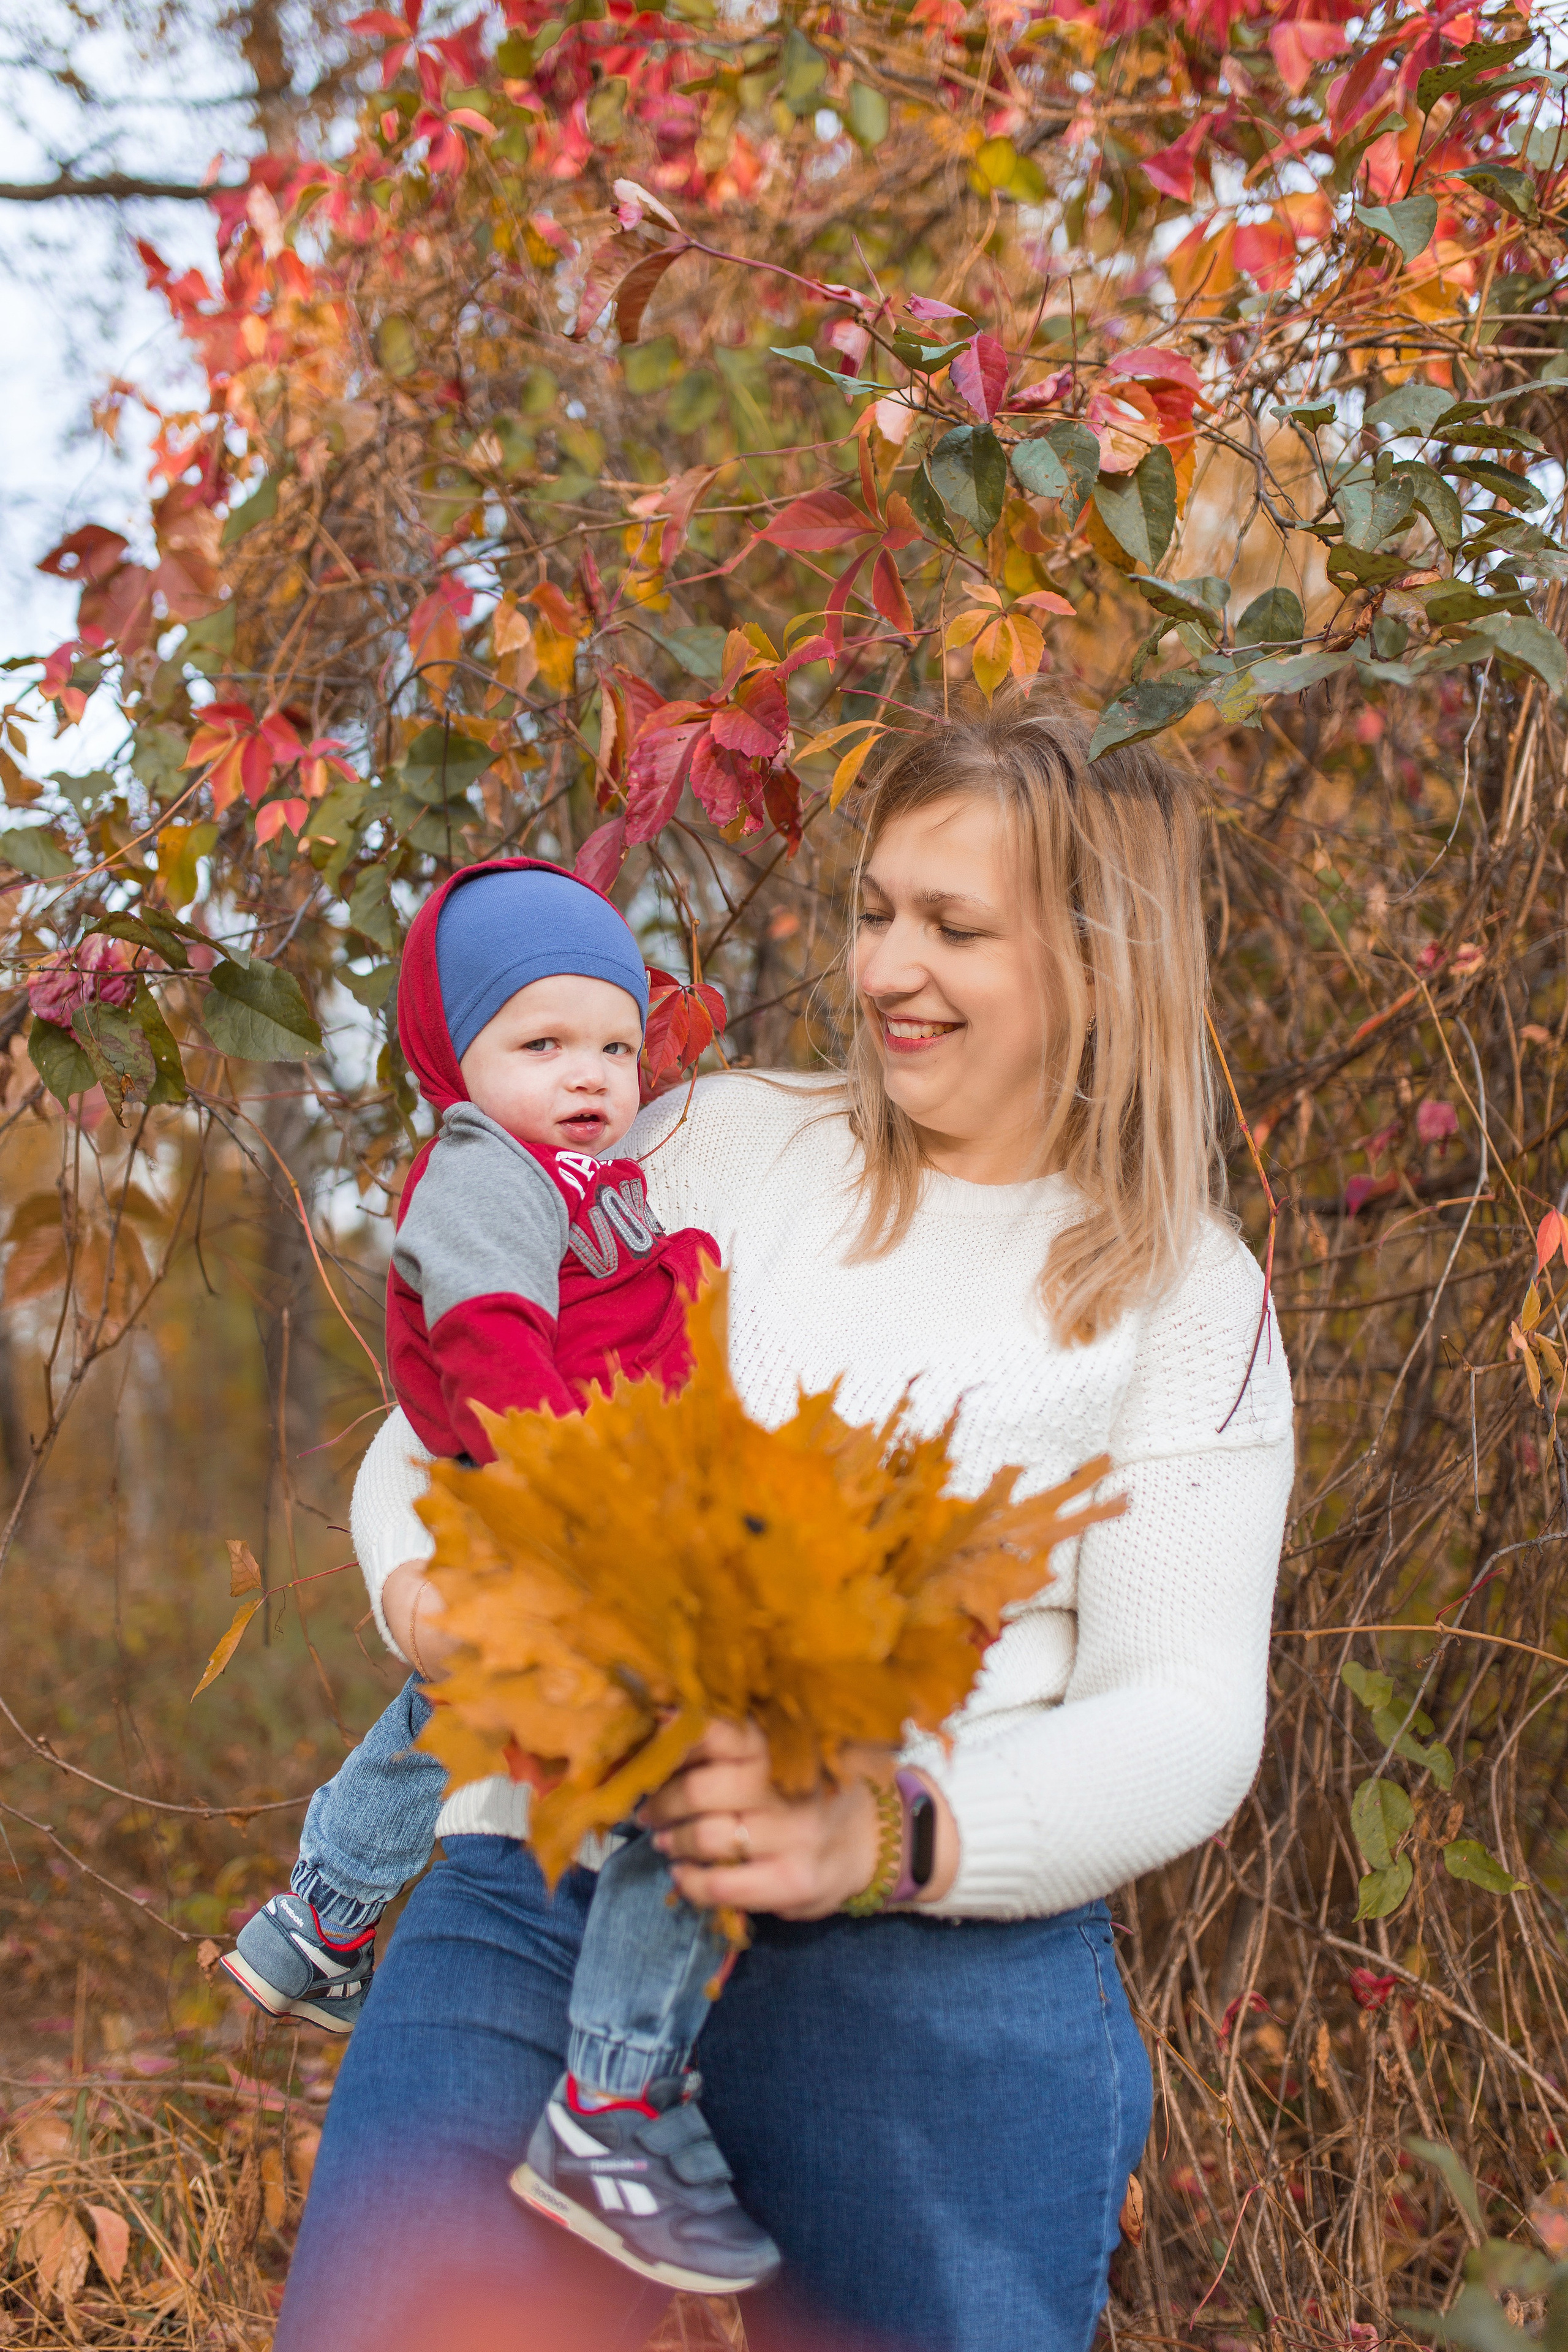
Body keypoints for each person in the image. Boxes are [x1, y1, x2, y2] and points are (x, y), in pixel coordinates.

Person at [276, 698, 1295, 2352]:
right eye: (876, 910)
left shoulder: (1185, 1292)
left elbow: (1184, 1714)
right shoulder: (714, 1141)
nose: (888, 967)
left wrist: (885, 1834)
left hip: (920, 1952)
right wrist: (423, 1599)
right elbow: (431, 1432)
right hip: (547, 1869)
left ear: (1103, 963)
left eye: (955, 927)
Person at [222, 857, 780, 2293]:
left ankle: (320, 1918)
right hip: (560, 1506)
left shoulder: (582, 1180)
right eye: (542, 1043)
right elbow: (486, 1343)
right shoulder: (483, 1169)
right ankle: (613, 2093)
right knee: (676, 1766)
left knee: (461, 1702)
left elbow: (610, 1315)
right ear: (454, 1059)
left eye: (614, 1046)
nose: (589, 1075)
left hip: (575, 1502)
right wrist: (565, 1491)